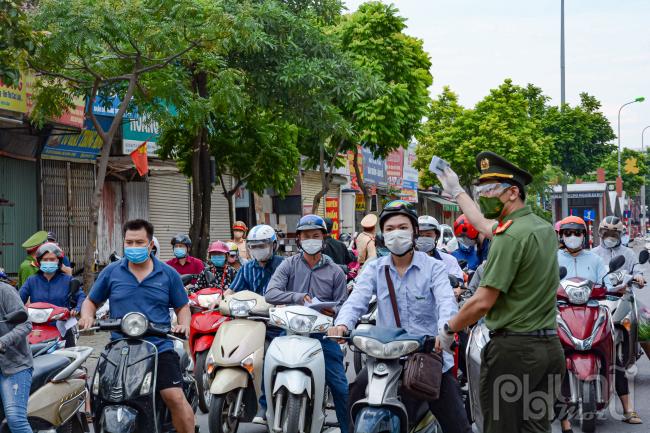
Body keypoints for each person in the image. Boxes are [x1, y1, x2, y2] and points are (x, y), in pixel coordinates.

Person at [434, 151, 565, 433]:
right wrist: (457, 191)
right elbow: (482, 224)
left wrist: (448, 329)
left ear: (513, 192)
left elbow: (482, 301)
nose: (484, 195)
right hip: (549, 349)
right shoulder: (541, 228)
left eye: (490, 189)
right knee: (535, 427)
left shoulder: (511, 236)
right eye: (481, 189)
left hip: (514, 354)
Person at [330, 200, 470, 433]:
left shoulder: (434, 268)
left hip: (428, 358)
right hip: (385, 360)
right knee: (352, 401)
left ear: (414, 231)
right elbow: (356, 301)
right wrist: (342, 325)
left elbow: (447, 304)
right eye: (390, 229)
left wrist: (443, 333)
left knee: (457, 425)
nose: (397, 233)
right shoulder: (375, 268)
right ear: (382, 235)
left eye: (403, 227)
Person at [78, 219, 194, 433]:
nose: (133, 247)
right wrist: (87, 317)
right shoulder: (112, 271)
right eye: (129, 242)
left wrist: (183, 325)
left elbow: (182, 307)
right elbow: (91, 302)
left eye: (139, 242)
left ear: (150, 245)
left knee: (174, 396)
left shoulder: (168, 274)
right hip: (118, 349)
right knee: (98, 395)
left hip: (159, 347)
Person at [265, 214, 349, 433]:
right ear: (299, 240)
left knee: (340, 387)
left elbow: (344, 306)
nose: (311, 240)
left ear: (324, 239)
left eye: (315, 236)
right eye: (306, 236)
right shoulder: (288, 265)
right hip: (291, 332)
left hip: (324, 336)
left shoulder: (336, 272)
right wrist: (297, 297)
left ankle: (349, 428)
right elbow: (271, 293)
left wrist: (335, 311)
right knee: (268, 367)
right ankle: (265, 413)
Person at [555, 216, 641, 429]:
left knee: (613, 354)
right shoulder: (552, 258)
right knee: (550, 358)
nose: (572, 237)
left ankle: (628, 409)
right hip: (561, 311)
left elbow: (607, 280)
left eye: (577, 233)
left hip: (592, 310)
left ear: (584, 236)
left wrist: (619, 284)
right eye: (568, 233)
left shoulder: (594, 260)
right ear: (561, 236)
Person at [19, 243, 86, 347]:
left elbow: (81, 297)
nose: (48, 262)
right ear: (39, 262)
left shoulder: (68, 280)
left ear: (58, 261)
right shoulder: (31, 281)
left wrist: (76, 309)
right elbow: (18, 299)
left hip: (62, 328)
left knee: (68, 359)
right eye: (45, 260)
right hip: (37, 330)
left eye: (52, 259)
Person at [0, 280, 33, 433]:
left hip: (14, 365)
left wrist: (3, 341)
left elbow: (26, 324)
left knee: (15, 419)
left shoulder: (5, 291)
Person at [230, 225, 284, 296]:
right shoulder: (246, 268)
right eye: (253, 246)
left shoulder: (284, 265)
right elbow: (232, 290)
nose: (257, 249)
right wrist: (218, 301)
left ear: (273, 245)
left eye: (261, 246)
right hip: (256, 305)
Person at [415, 215, 464, 282]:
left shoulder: (449, 260)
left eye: (428, 235)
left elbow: (458, 285)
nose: (424, 238)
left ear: (436, 236)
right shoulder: (405, 261)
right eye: (420, 235)